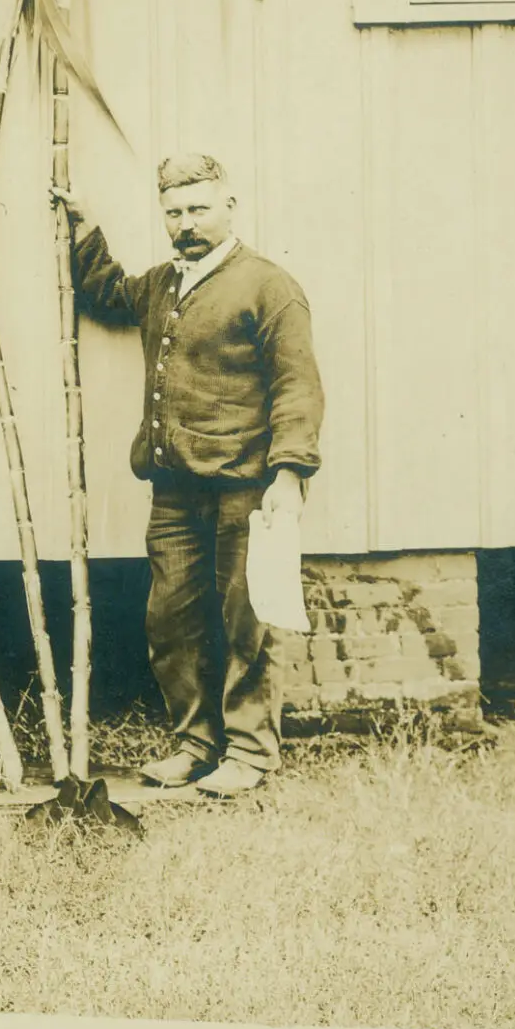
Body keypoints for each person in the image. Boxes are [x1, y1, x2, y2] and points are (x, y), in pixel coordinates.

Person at [53, 153, 324, 796]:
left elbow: (298, 386)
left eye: (198, 209)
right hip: (174, 490)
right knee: (172, 620)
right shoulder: (162, 286)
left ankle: (251, 755)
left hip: (246, 488)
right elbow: (108, 294)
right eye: (173, 212)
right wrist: (83, 226)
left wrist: (289, 473)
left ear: (230, 206)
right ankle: (196, 744)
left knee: (245, 621)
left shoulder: (268, 285)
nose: (185, 223)